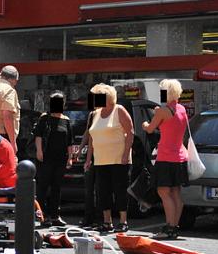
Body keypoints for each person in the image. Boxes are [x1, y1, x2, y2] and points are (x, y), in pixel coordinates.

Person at [142, 79, 189, 239]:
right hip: (180, 156)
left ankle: (169, 227)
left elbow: (149, 129)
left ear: (165, 92)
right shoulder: (182, 109)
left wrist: (145, 123)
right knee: (176, 193)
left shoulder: (163, 110)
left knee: (164, 192)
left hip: (166, 157)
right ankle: (174, 226)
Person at [84, 84, 133, 234]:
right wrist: (88, 159)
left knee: (120, 190)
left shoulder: (119, 110)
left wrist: (126, 154)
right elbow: (91, 137)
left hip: (119, 159)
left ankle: (123, 221)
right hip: (100, 159)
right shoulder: (95, 114)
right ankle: (107, 221)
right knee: (102, 191)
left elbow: (130, 133)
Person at [33, 92, 75, 226]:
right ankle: (42, 215)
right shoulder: (45, 118)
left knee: (57, 187)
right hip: (46, 157)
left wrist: (70, 158)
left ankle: (55, 216)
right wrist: (39, 151)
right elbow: (38, 135)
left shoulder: (66, 120)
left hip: (60, 158)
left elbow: (70, 141)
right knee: (43, 186)